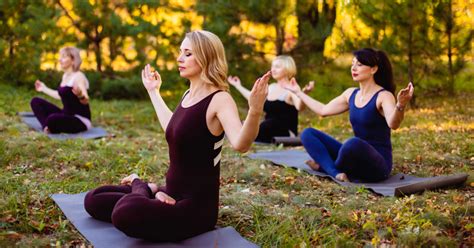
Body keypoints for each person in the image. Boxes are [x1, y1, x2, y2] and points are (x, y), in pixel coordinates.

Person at [84, 30, 270, 242]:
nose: (179, 58)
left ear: (207, 57)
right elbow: (174, 128)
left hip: (194, 209)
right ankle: (151, 191)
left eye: (188, 53)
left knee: (124, 213)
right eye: (180, 52)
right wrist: (154, 91)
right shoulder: (187, 95)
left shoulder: (220, 99)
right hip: (169, 192)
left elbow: (241, 144)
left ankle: (142, 187)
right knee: (94, 200)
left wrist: (255, 110)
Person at [285, 48, 414, 182]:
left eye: (359, 65)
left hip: (377, 165)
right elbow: (323, 110)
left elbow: (394, 124)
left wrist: (400, 105)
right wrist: (298, 93)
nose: (354, 68)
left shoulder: (383, 96)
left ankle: (325, 168)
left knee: (352, 144)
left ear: (373, 69)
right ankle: (335, 172)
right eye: (352, 64)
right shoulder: (350, 94)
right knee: (308, 133)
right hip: (353, 156)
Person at [227, 55, 314, 143]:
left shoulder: (292, 87)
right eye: (272, 66)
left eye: (277, 67)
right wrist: (238, 86)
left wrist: (304, 94)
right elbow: (253, 98)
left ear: (287, 69)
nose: (273, 69)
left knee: (264, 126)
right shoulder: (271, 87)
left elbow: (300, 107)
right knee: (247, 124)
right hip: (267, 127)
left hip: (286, 132)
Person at [30, 47, 91, 134]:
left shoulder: (79, 76)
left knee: (52, 118)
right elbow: (60, 95)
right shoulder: (65, 76)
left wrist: (80, 95)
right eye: (60, 57)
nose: (60, 59)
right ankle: (46, 127)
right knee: (35, 101)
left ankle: (49, 125)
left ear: (73, 60)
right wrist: (43, 88)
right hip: (66, 114)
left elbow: (86, 100)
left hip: (79, 120)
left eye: (64, 57)